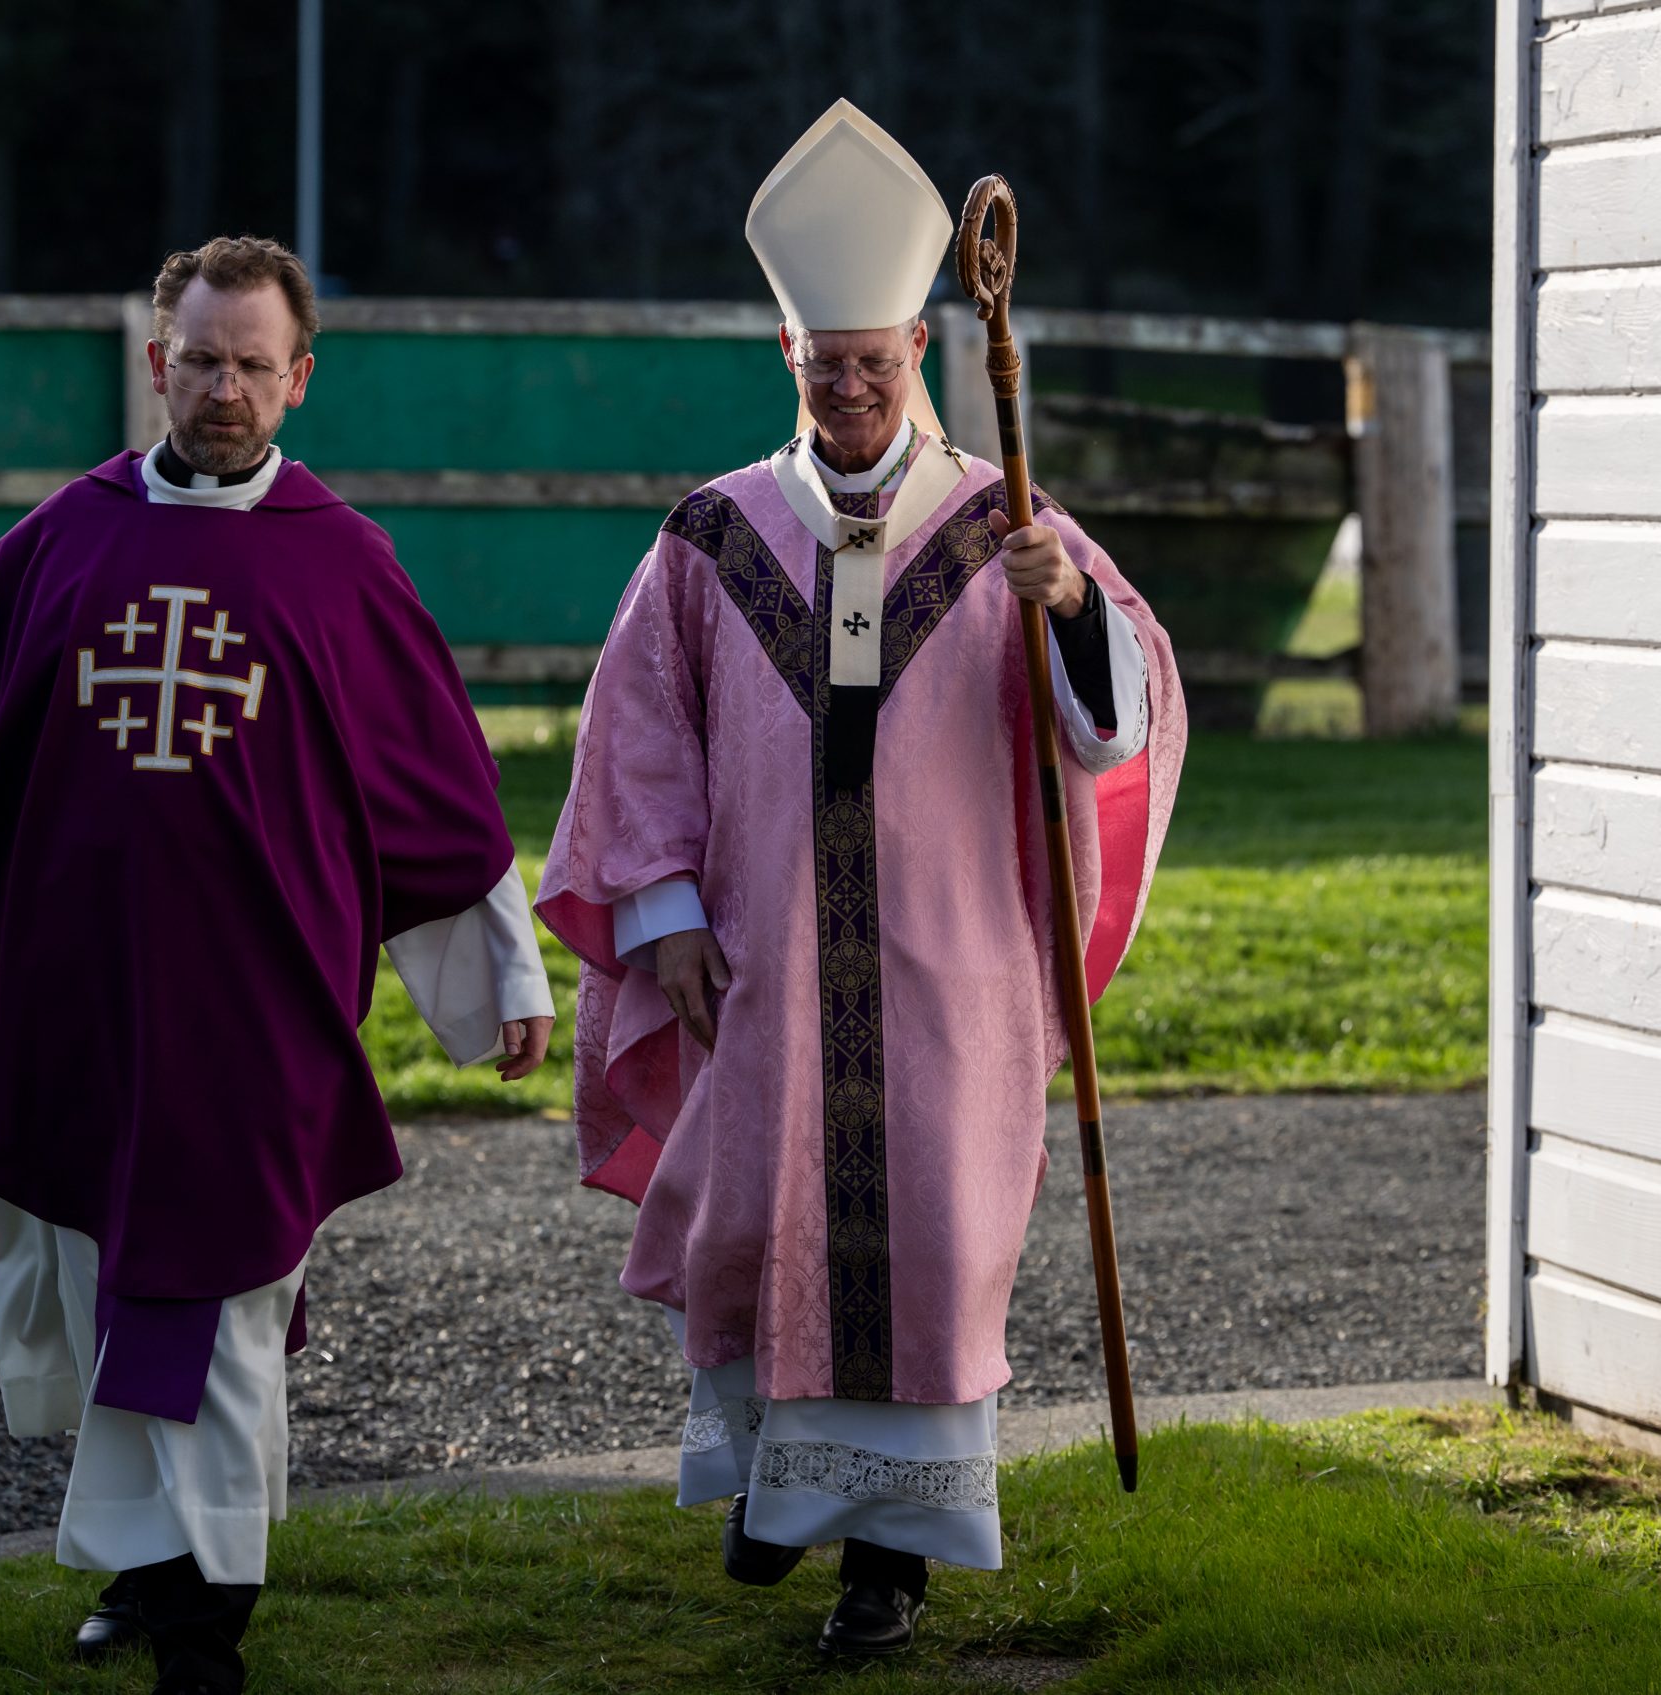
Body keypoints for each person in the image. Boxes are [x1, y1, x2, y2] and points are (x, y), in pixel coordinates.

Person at [0, 235, 554, 1695]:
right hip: (68, 1004)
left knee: (223, 1294)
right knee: (98, 1283)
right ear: (155, 365)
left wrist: (497, 979)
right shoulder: (63, 539)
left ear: (300, 381)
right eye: (202, 359)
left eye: (256, 364)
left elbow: (431, 793)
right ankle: (148, 1564)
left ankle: (211, 1615)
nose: (227, 388)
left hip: (253, 1019)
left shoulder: (344, 564)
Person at [536, 102, 1185, 1657]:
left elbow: (1114, 720)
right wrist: (668, 918)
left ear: (920, 352)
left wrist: (1070, 605)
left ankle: (886, 1564)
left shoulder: (1006, 527)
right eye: (822, 363)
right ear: (786, 355)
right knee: (770, 1224)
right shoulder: (710, 537)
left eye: (876, 362)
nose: (848, 388)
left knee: (934, 1245)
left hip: (947, 967)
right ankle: (784, 1498)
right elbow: (638, 741)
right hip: (761, 960)